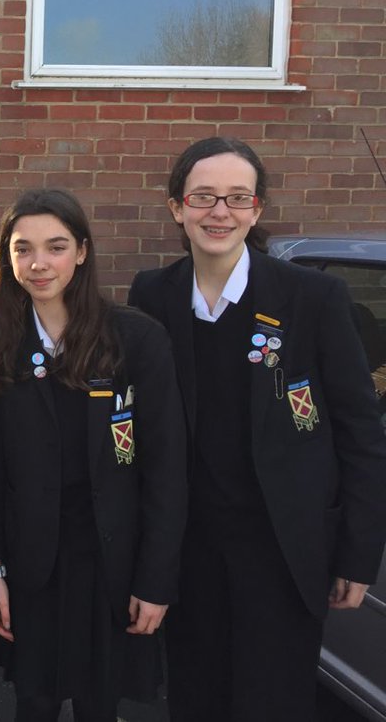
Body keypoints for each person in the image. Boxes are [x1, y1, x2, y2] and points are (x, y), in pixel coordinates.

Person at [127, 137, 386, 722]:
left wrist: (357, 553)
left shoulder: (313, 297)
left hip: (284, 553)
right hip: (190, 551)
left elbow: (358, 430)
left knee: (274, 702)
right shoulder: (153, 294)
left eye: (237, 197)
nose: (220, 212)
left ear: (257, 209)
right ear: (177, 207)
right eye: (203, 197)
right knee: (196, 696)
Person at [0, 188, 188, 722]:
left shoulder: (136, 339)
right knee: (35, 701)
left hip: (113, 563)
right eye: (23, 249)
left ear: (83, 252)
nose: (39, 263)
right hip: (32, 564)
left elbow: (166, 471)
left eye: (56, 246)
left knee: (100, 704)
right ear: (8, 257)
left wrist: (155, 580)